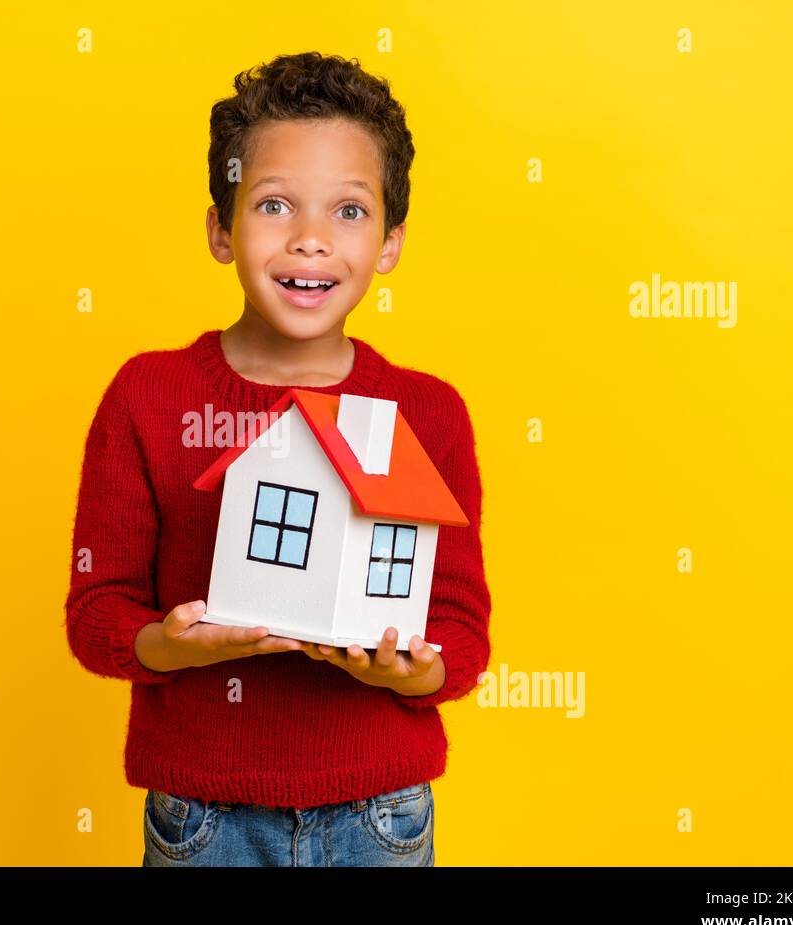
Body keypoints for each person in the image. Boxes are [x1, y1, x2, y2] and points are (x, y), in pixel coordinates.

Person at [64, 51, 491, 866]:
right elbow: (98, 612)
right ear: (222, 229)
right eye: (273, 205)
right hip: (203, 817)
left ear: (392, 243)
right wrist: (170, 645)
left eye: (350, 212)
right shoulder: (147, 396)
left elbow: (462, 629)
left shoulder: (428, 414)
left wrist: (405, 674)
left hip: (381, 815)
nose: (310, 240)